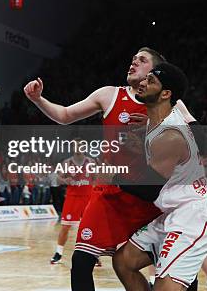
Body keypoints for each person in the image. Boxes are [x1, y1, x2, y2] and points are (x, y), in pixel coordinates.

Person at [24, 47, 173, 291]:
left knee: (162, 267)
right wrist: (38, 99)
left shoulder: (167, 103)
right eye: (133, 58)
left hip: (148, 197)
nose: (133, 63)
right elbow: (64, 115)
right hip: (109, 193)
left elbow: (195, 137)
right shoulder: (109, 95)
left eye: (141, 60)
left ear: (154, 71)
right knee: (81, 261)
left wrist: (156, 122)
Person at [112, 63, 207, 291]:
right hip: (172, 211)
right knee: (123, 261)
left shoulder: (171, 135)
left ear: (166, 94)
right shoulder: (158, 122)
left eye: (151, 81)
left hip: (193, 216)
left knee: (165, 287)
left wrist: (110, 175)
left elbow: (150, 189)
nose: (142, 83)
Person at [50, 141, 95, 265]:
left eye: (80, 146)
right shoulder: (67, 163)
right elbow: (58, 178)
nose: (78, 148)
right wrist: (65, 180)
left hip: (88, 197)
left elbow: (97, 178)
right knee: (65, 227)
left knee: (91, 228)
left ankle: (94, 256)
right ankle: (58, 253)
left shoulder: (91, 162)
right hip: (72, 198)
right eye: (75, 146)